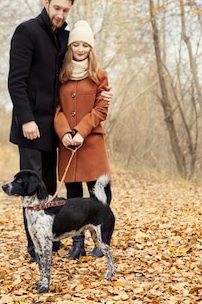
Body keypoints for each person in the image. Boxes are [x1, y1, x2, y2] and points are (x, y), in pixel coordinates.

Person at [8, 0, 113, 261]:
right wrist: (26, 119)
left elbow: (80, 72)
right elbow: (16, 82)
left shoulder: (65, 38)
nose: (60, 13)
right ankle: (36, 248)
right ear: (46, 3)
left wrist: (104, 94)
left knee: (48, 188)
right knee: (31, 189)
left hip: (54, 132)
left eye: (65, 10)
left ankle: (52, 241)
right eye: (56, 8)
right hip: (30, 128)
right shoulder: (26, 31)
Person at [54, 20, 112, 259]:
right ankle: (77, 245)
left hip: (91, 143)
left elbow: (101, 109)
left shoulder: (100, 76)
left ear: (91, 48)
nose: (80, 49)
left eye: (84, 45)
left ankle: (100, 242)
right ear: (70, 48)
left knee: (100, 193)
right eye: (76, 45)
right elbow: (56, 108)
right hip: (68, 144)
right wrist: (65, 133)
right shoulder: (61, 76)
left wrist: (81, 131)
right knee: (73, 197)